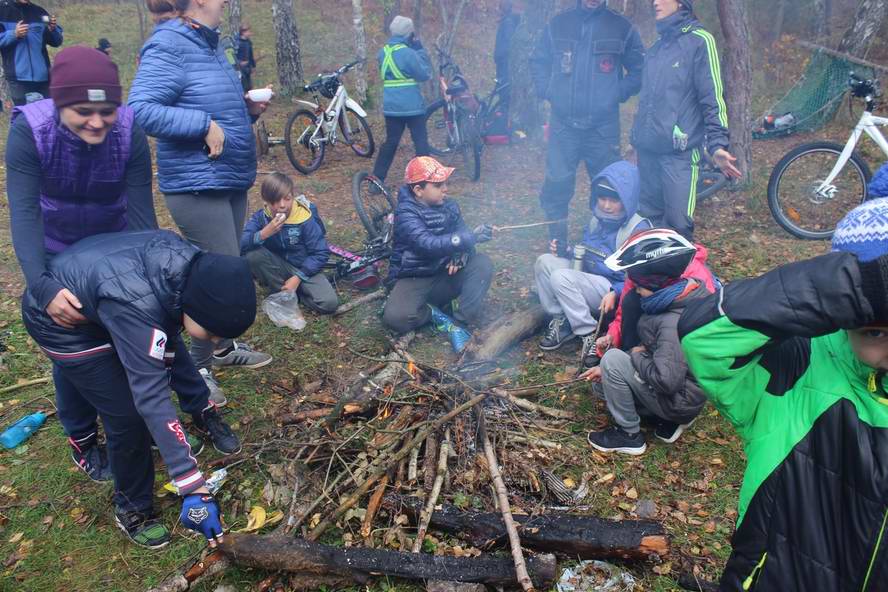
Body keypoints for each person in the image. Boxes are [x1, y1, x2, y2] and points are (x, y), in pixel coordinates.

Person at [678, 200, 888, 590]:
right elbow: (703, 338)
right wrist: (863, 286)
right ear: (842, 313)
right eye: (875, 332)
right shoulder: (801, 362)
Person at [21, 230, 246, 548]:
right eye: (211, 333)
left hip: (110, 295)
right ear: (197, 309)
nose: (210, 341)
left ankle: (199, 416)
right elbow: (151, 394)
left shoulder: (190, 271)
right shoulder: (137, 307)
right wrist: (190, 481)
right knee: (127, 415)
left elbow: (164, 346)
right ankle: (133, 507)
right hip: (61, 322)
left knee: (172, 350)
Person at [5, 46, 163, 483]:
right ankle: (80, 435)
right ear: (58, 104)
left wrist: (147, 277)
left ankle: (132, 421)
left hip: (111, 246)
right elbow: (24, 213)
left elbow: (141, 213)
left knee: (121, 335)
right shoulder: (29, 132)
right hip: (56, 250)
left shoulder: (129, 132)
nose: (97, 121)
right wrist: (43, 285)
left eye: (107, 109)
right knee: (73, 346)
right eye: (83, 111)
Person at [129, 0, 272, 404]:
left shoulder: (210, 44)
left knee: (228, 268)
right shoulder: (170, 43)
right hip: (197, 184)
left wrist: (246, 112)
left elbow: (209, 104)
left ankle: (222, 350)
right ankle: (199, 369)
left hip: (227, 177)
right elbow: (140, 109)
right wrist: (201, 125)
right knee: (219, 281)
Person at [529, 0, 644, 253]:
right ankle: (557, 242)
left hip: (602, 128)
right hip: (563, 126)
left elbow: (639, 70)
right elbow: (538, 61)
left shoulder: (621, 27)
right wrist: (548, 90)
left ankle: (606, 244)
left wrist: (615, 93)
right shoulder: (559, 24)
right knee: (557, 183)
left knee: (609, 186)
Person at [583, 229, 708, 455]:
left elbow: (667, 380)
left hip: (679, 400)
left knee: (611, 361)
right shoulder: (677, 297)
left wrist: (634, 356)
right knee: (602, 384)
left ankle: (629, 435)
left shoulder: (671, 322)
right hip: (687, 394)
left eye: (639, 285)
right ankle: (664, 419)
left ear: (655, 282)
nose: (636, 290)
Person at [630, 0, 741, 240]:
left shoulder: (700, 41)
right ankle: (649, 277)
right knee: (648, 224)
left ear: (681, 3)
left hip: (678, 154)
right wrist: (637, 139)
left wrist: (717, 145)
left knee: (677, 228)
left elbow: (712, 99)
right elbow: (647, 101)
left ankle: (680, 277)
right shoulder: (657, 48)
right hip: (648, 151)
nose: (655, 2)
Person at [534, 160, 650, 359]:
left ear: (627, 200)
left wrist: (617, 292)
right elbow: (591, 254)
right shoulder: (597, 220)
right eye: (602, 198)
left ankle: (588, 333)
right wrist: (568, 251)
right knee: (544, 262)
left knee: (561, 277)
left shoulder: (637, 229)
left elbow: (645, 277)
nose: (606, 205)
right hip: (593, 281)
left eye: (614, 200)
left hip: (616, 293)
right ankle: (563, 320)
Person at [382, 156, 494, 352]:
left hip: (444, 274)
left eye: (445, 183)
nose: (446, 189)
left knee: (482, 263)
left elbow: (463, 240)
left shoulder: (450, 205)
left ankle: (459, 322)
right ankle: (434, 313)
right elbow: (427, 244)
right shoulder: (405, 213)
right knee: (396, 319)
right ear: (418, 190)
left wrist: (461, 256)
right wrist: (467, 239)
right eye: (438, 185)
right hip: (415, 276)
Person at [241, 172, 339, 314]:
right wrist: (263, 233)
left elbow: (321, 253)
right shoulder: (262, 217)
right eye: (275, 201)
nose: (282, 205)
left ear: (292, 196)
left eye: (287, 199)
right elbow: (240, 243)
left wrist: (298, 277)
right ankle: (281, 294)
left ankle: (296, 294)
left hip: (304, 267)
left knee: (329, 304)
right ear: (266, 201)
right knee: (253, 255)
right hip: (277, 265)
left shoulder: (304, 218)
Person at [371, 15, 432, 186]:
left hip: (392, 107)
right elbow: (424, 74)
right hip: (412, 106)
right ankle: (426, 180)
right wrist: (420, 50)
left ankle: (376, 180)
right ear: (409, 34)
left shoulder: (382, 52)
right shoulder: (409, 53)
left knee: (390, 142)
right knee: (420, 141)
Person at [0, 0, 62, 105]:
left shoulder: (39, 11)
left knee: (47, 116)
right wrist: (14, 34)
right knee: (24, 117)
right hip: (17, 78)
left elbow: (56, 41)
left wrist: (53, 29)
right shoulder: (2, 10)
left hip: (43, 77)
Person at [493, 0, 520, 116]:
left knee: (504, 89)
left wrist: (501, 56)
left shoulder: (508, 22)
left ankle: (505, 115)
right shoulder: (506, 20)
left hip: (505, 64)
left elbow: (510, 44)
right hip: (502, 62)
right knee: (502, 88)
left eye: (501, 6)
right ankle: (504, 112)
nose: (499, 8)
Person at [236, 23, 256, 92]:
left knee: (249, 87)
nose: (250, 33)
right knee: (242, 87)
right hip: (239, 70)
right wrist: (239, 63)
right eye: (248, 32)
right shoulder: (236, 43)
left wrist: (253, 66)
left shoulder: (248, 42)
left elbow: (251, 55)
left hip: (247, 69)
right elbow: (231, 57)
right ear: (243, 32)